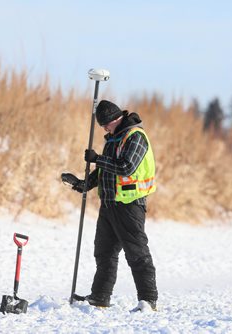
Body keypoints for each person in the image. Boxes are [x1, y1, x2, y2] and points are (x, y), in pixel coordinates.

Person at [62, 100, 158, 311]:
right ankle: (100, 297)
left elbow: (125, 167)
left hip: (130, 205)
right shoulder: (113, 139)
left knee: (137, 253)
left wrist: (97, 159)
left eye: (105, 124)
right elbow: (106, 171)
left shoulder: (136, 137)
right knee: (103, 252)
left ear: (115, 119)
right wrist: (81, 184)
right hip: (109, 204)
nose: (104, 128)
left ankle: (148, 300)